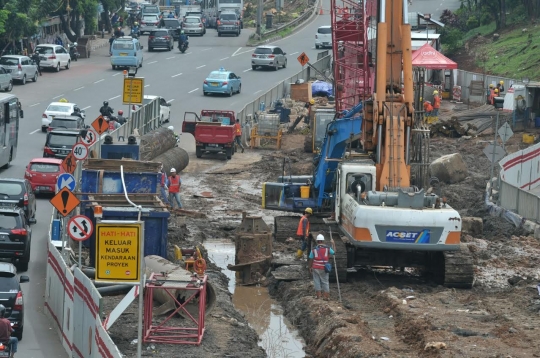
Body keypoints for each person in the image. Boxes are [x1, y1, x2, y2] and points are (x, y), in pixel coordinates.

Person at [308, 234, 336, 301]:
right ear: (323, 241)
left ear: (317, 241)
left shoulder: (313, 250)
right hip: (324, 268)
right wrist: (333, 244)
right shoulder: (328, 248)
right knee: (325, 282)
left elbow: (311, 259)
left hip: (315, 267)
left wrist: (310, 267)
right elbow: (334, 253)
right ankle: (326, 297)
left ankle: (318, 296)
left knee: (316, 281)